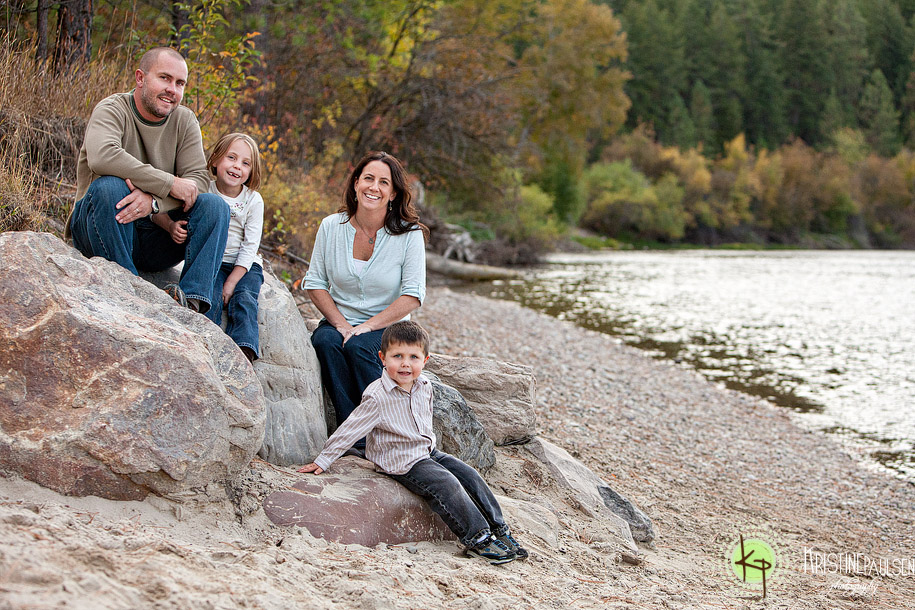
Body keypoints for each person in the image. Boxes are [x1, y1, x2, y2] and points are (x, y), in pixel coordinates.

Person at [298, 321, 529, 565]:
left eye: (413, 357)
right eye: (397, 356)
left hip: (427, 452)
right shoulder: (378, 396)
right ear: (382, 358)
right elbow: (351, 428)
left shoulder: (424, 385)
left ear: (425, 360)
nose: (405, 364)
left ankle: (500, 530)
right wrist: (324, 460)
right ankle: (478, 539)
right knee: (446, 484)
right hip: (402, 461)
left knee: (469, 475)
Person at [66, 46, 229, 314]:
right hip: (102, 226)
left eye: (180, 83)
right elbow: (103, 157)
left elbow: (197, 179)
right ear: (141, 78)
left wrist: (154, 201)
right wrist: (169, 184)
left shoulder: (184, 120)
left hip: (156, 237)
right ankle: (129, 293)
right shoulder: (112, 109)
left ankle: (191, 306)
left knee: (214, 207)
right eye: (164, 78)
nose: (172, 90)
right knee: (110, 187)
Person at [304, 151, 427, 448]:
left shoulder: (409, 234)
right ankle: (355, 437)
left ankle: (384, 429)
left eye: (383, 182)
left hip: (389, 325)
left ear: (393, 193)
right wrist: (342, 324)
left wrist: (368, 327)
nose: (374, 187)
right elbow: (315, 283)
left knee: (359, 348)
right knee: (326, 342)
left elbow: (413, 295)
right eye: (368, 179)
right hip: (340, 319)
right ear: (356, 183)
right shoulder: (331, 227)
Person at [172, 132, 263, 362]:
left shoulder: (253, 200)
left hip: (245, 266)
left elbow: (250, 245)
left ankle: (243, 350)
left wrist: (232, 281)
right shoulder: (204, 190)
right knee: (209, 295)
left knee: (244, 298)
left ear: (252, 171)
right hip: (212, 260)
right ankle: (204, 341)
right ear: (214, 160)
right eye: (231, 158)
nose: (236, 167)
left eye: (245, 163)